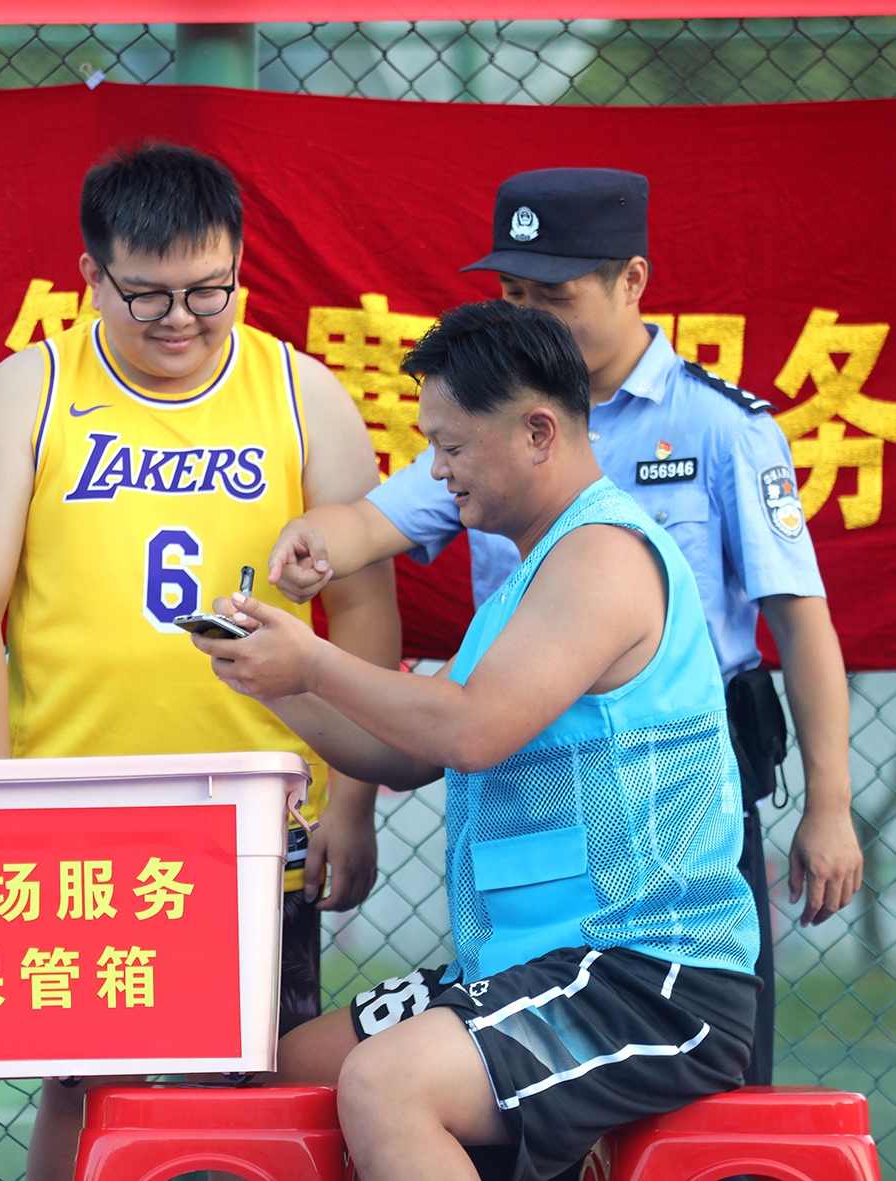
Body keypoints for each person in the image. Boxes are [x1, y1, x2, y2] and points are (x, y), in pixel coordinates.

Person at [268, 167, 862, 1085]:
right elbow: (375, 527)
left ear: (632, 281)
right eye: (514, 293)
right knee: (315, 1068)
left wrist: (829, 802)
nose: (531, 314)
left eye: (555, 294)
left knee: (689, 1094)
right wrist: (311, 559)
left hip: (667, 829)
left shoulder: (710, 432)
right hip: (531, 825)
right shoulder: (486, 427)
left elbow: (801, 617)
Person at [197, 299, 760, 1181]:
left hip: (645, 975)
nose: (437, 470)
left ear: (538, 432)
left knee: (388, 1082)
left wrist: (312, 661)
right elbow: (409, 753)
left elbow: (468, 730)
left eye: (451, 446)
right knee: (290, 1068)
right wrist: (274, 679)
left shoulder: (604, 554)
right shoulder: (527, 579)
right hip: (525, 967)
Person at [0, 142, 400, 1181]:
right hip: (77, 812)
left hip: (259, 810)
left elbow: (367, 608)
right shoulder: (29, 391)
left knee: (260, 1076)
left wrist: (354, 801)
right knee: (86, 1083)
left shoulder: (302, 393)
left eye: (208, 290)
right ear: (91, 274)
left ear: (237, 265)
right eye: (146, 294)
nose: (180, 318)